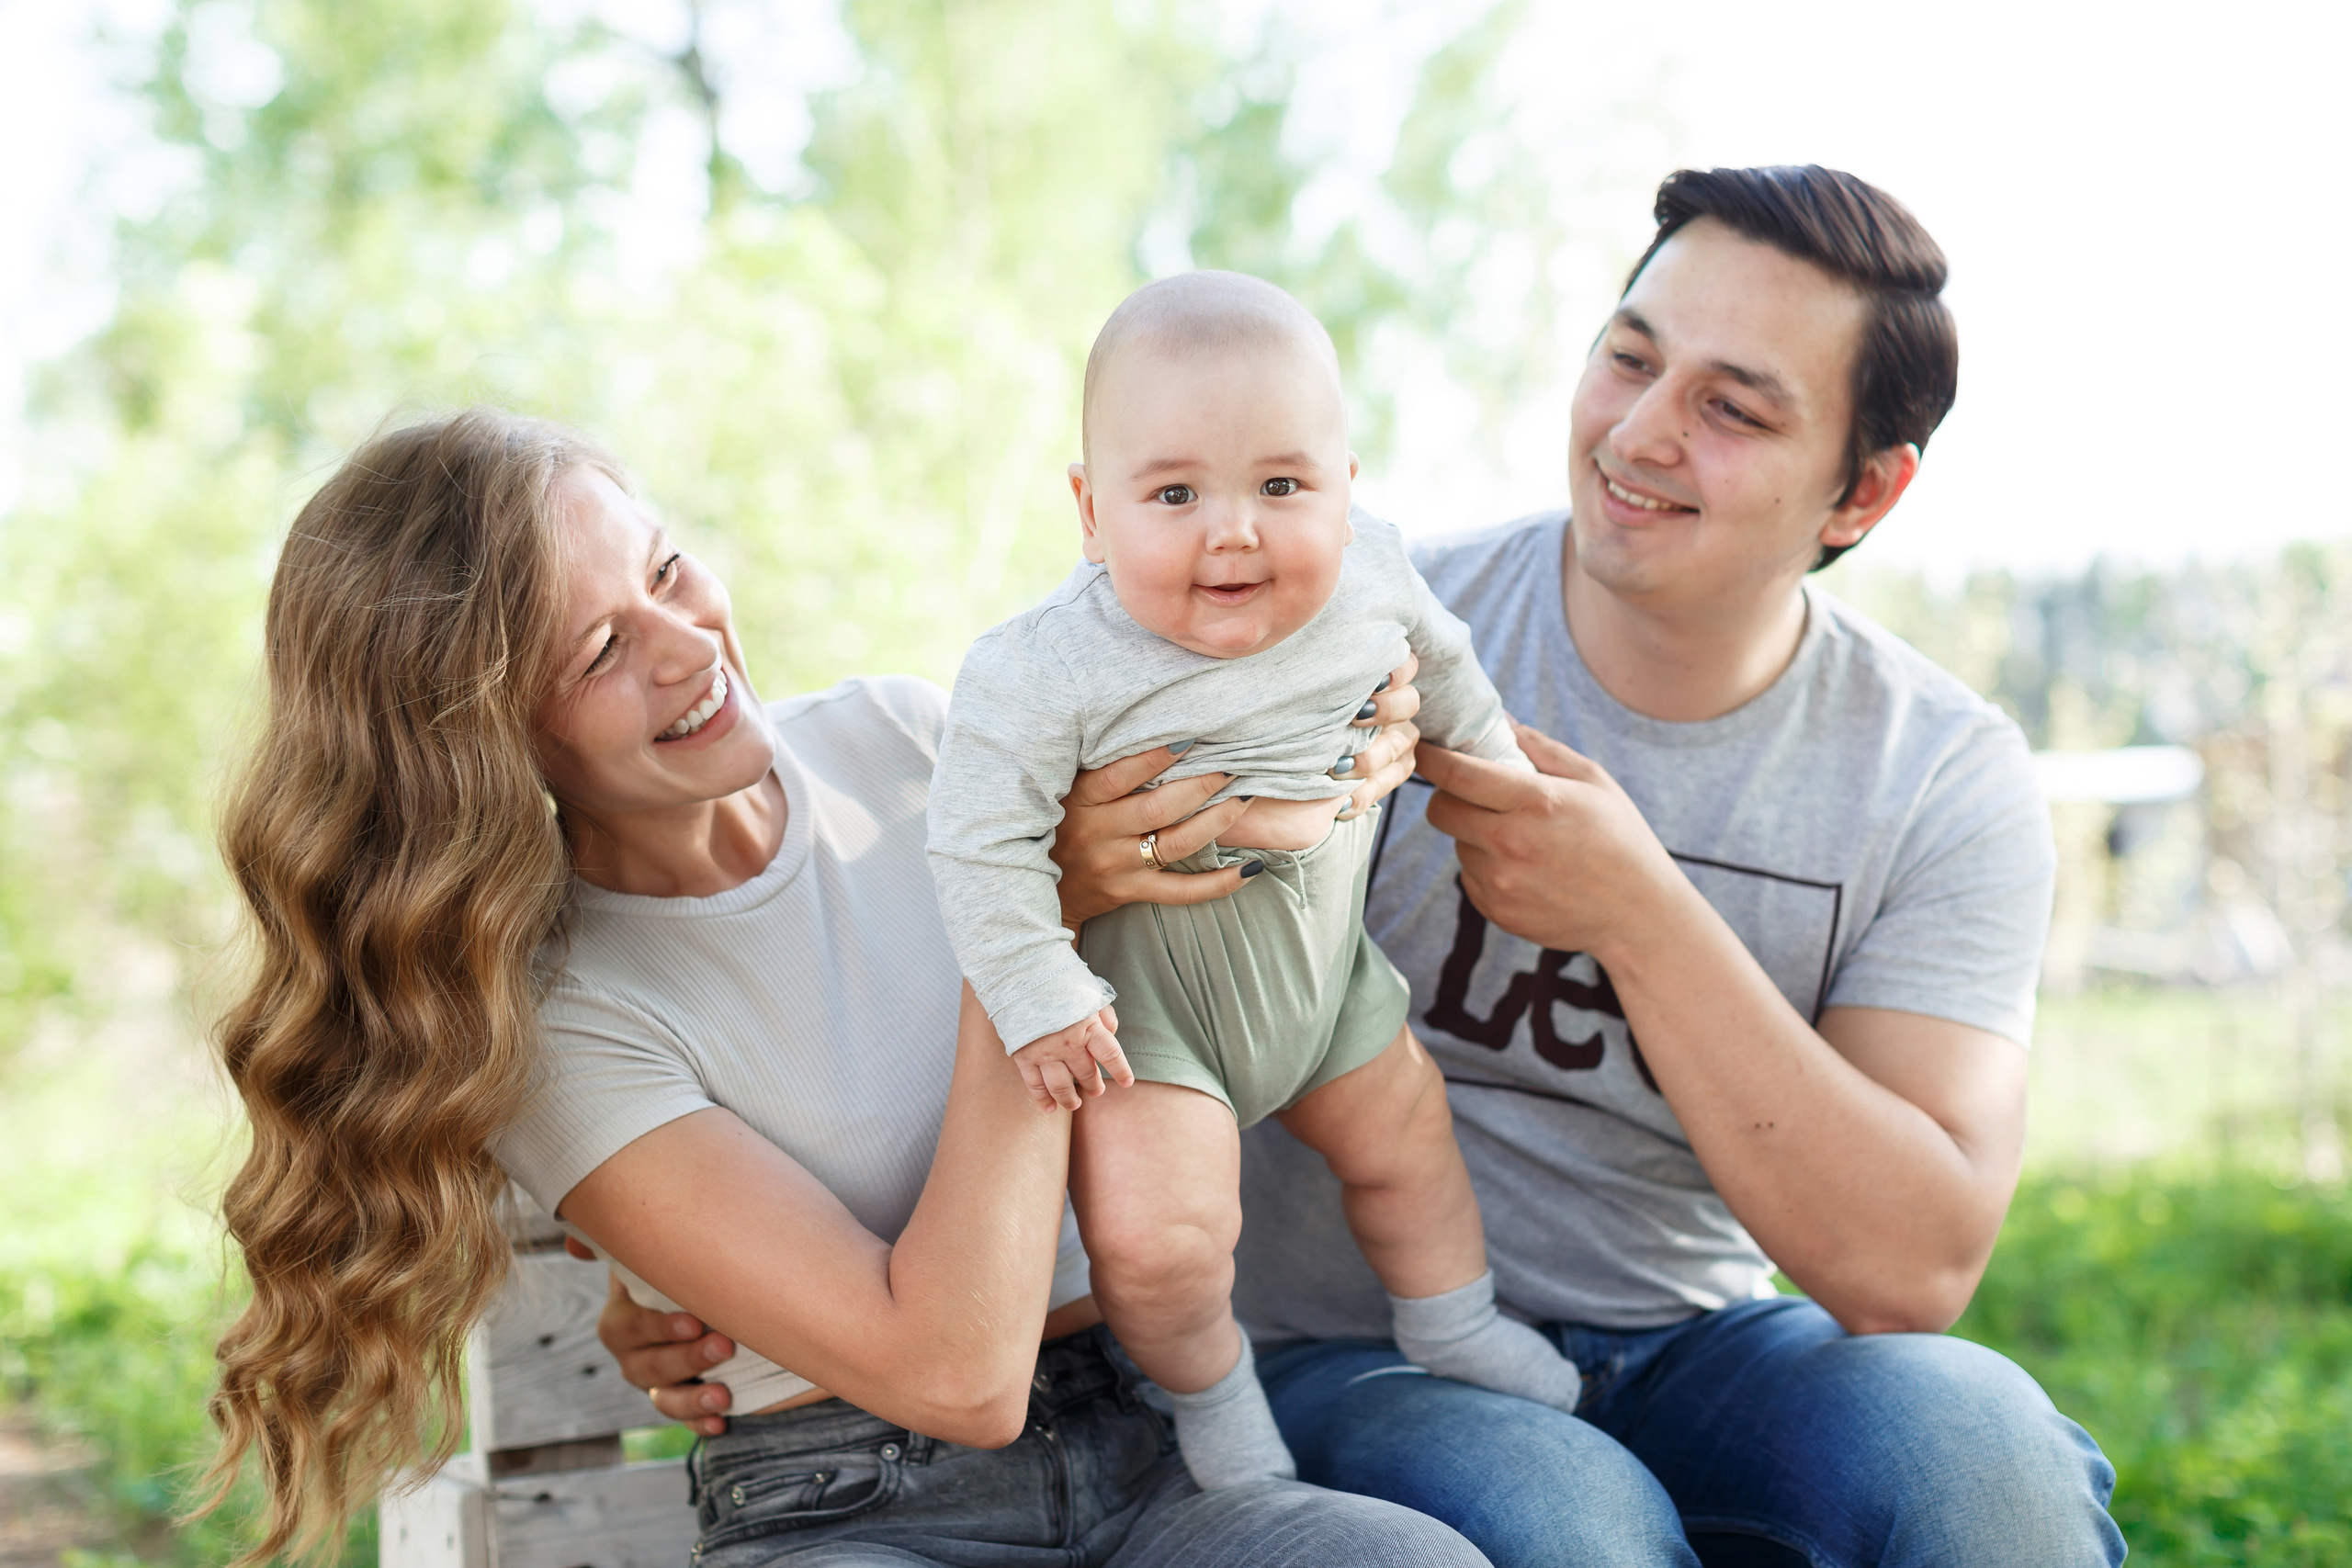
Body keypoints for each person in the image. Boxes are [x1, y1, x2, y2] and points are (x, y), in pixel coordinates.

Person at [616, 166, 2128, 1565]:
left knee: (1977, 1455)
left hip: (1692, 1333)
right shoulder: (1300, 611)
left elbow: (1910, 1269)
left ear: (1862, 494)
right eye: (1629, 355)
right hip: (1341, 1348)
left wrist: (1642, 917)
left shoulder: (1935, 772)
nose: (1641, 429)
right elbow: (937, 895)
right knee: (1564, 1522)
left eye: (1733, 407)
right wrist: (711, 1267)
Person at [198, 410, 1491, 1568]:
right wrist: (1033, 922)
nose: (684, 641)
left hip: (1155, 1448)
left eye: (665, 571)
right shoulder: (558, 1019)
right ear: (484, 742)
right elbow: (960, 1377)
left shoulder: (905, 737)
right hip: (851, 1512)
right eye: (598, 649)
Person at [928, 272, 1577, 1491]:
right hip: (1151, 1019)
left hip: (1326, 983)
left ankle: (1450, 1317)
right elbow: (977, 844)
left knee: (1410, 1143)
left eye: (1282, 486)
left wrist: (1494, 771)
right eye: (1174, 494)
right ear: (1089, 509)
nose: (1235, 531)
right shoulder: (1041, 669)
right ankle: (1212, 1396)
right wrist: (1038, 995)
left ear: (1346, 488)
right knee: (1160, 1244)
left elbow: (1446, 665)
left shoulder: (1371, 579)